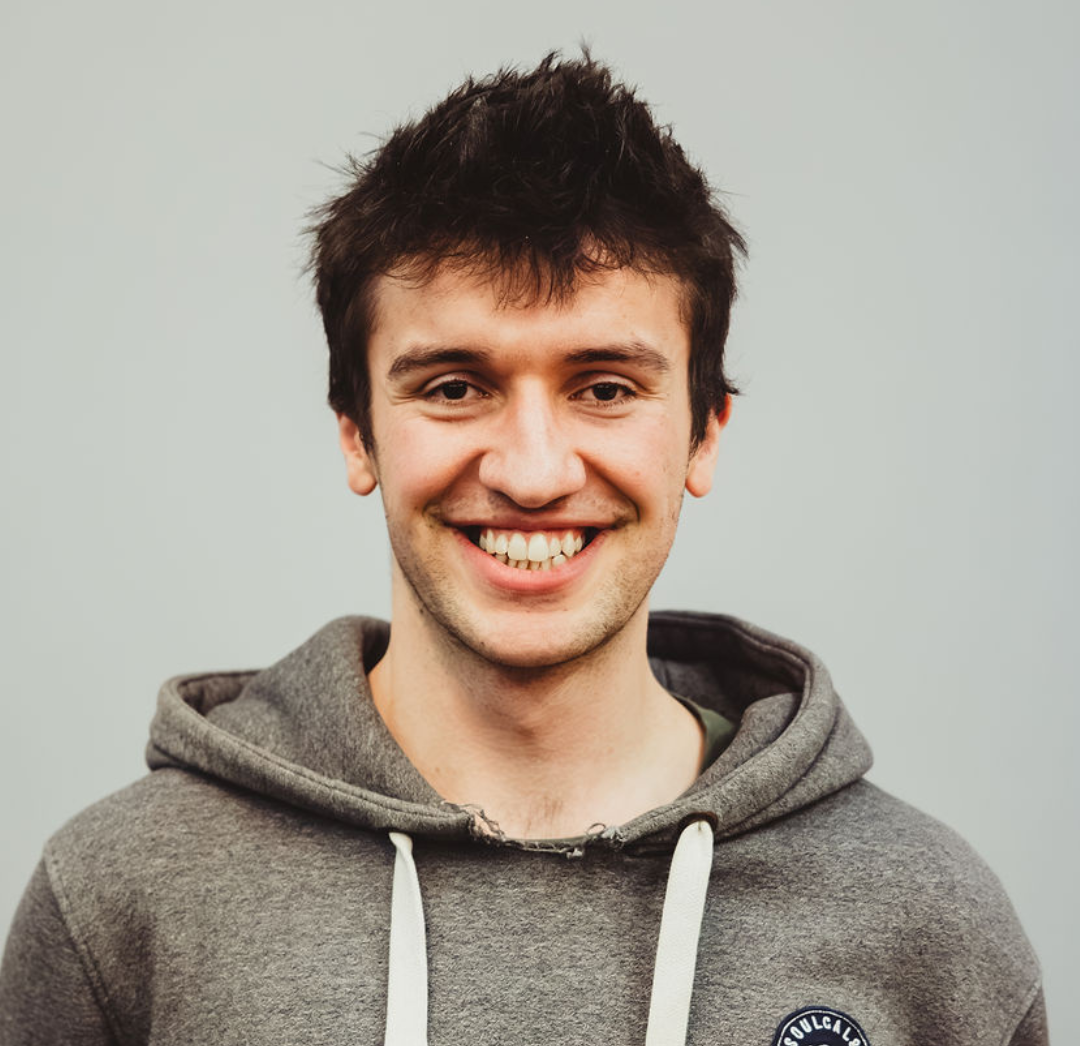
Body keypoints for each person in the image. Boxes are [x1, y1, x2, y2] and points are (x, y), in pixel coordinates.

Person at [0, 53, 1045, 1046]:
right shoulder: (122, 899)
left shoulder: (927, 925)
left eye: (604, 388)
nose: (534, 471)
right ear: (357, 432)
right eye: (455, 387)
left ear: (705, 432)